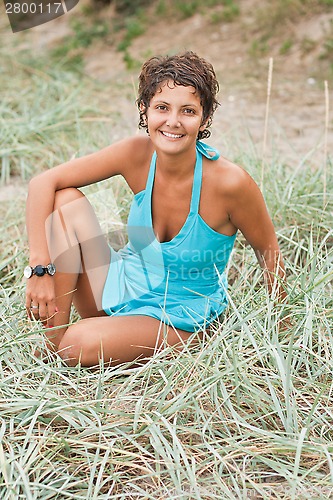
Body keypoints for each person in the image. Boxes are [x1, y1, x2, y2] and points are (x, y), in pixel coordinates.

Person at [25, 51, 287, 367]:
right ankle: (53, 346)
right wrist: (40, 268)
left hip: (183, 316)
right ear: (144, 110)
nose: (173, 122)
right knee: (66, 202)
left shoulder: (230, 183)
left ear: (204, 119)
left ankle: (68, 347)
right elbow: (43, 182)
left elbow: (269, 252)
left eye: (187, 111)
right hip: (127, 287)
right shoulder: (136, 155)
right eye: (162, 108)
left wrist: (280, 337)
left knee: (78, 343)